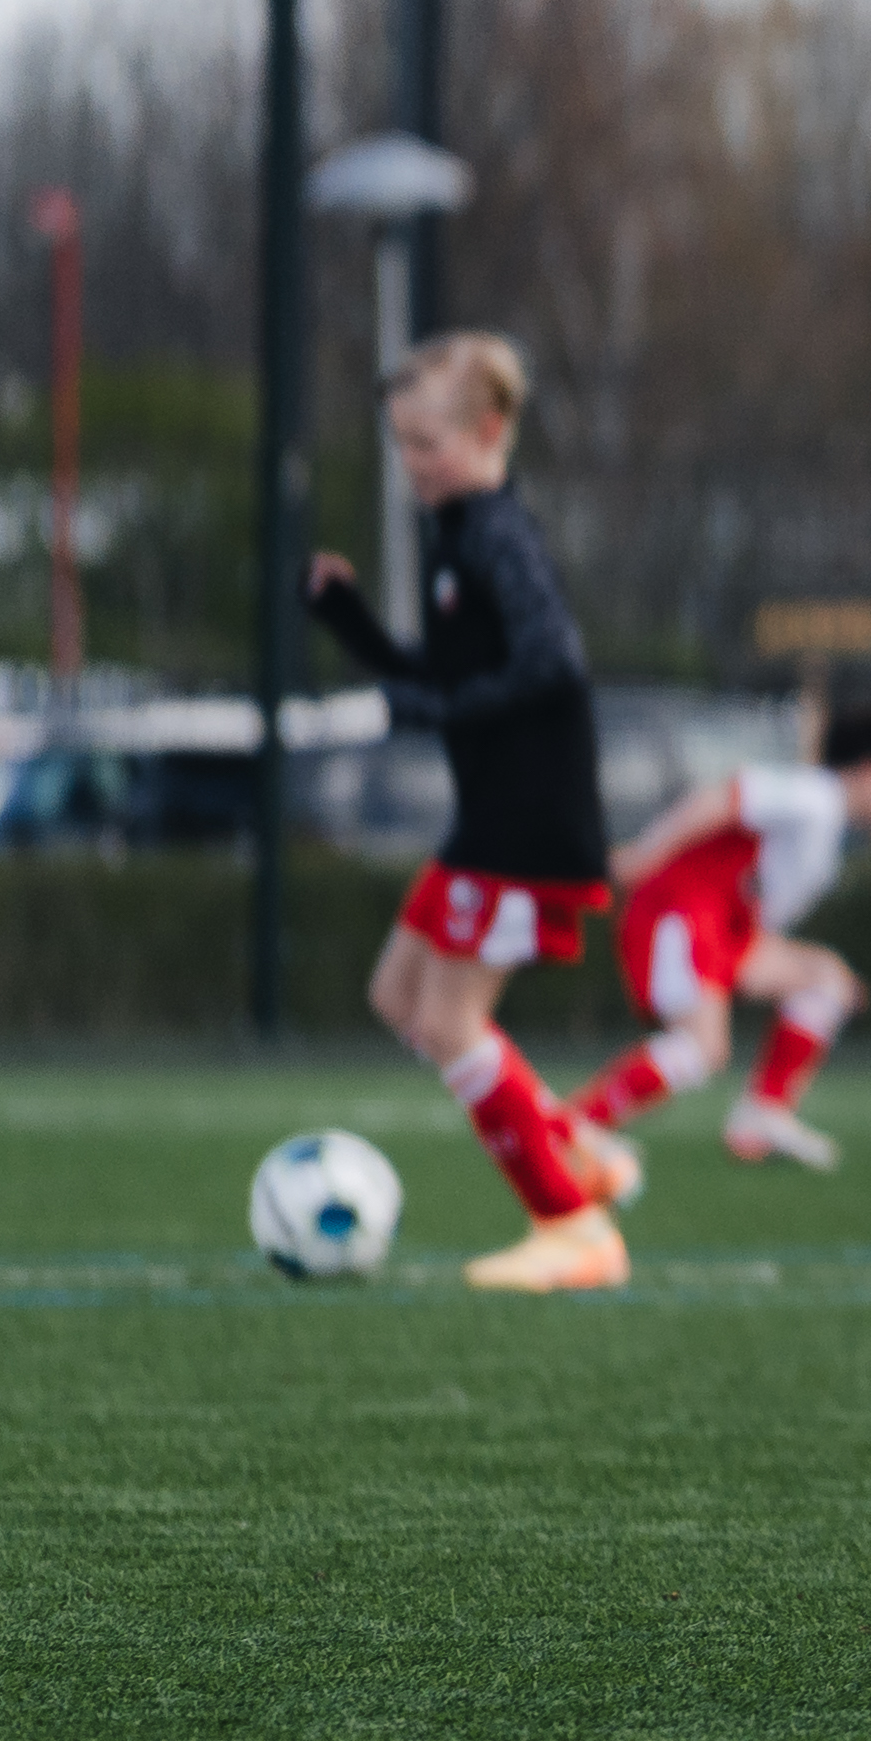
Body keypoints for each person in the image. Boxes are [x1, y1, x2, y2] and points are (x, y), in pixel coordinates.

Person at [300, 334, 634, 1292]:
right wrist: (348, 619)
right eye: (401, 444)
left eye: (429, 443)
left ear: (490, 433)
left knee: (449, 1019)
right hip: (489, 816)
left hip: (530, 818)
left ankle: (574, 1228)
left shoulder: (496, 533)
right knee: (399, 997)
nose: (413, 464)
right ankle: (572, 1152)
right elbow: (440, 673)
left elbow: (552, 662)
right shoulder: (457, 536)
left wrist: (443, 711)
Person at [572, 699, 871, 1172]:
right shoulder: (814, 795)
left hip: (721, 929)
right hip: (680, 912)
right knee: (703, 1047)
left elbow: (755, 909)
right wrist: (644, 855)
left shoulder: (825, 823)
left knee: (826, 981)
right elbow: (723, 798)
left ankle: (762, 1116)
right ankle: (573, 1127)